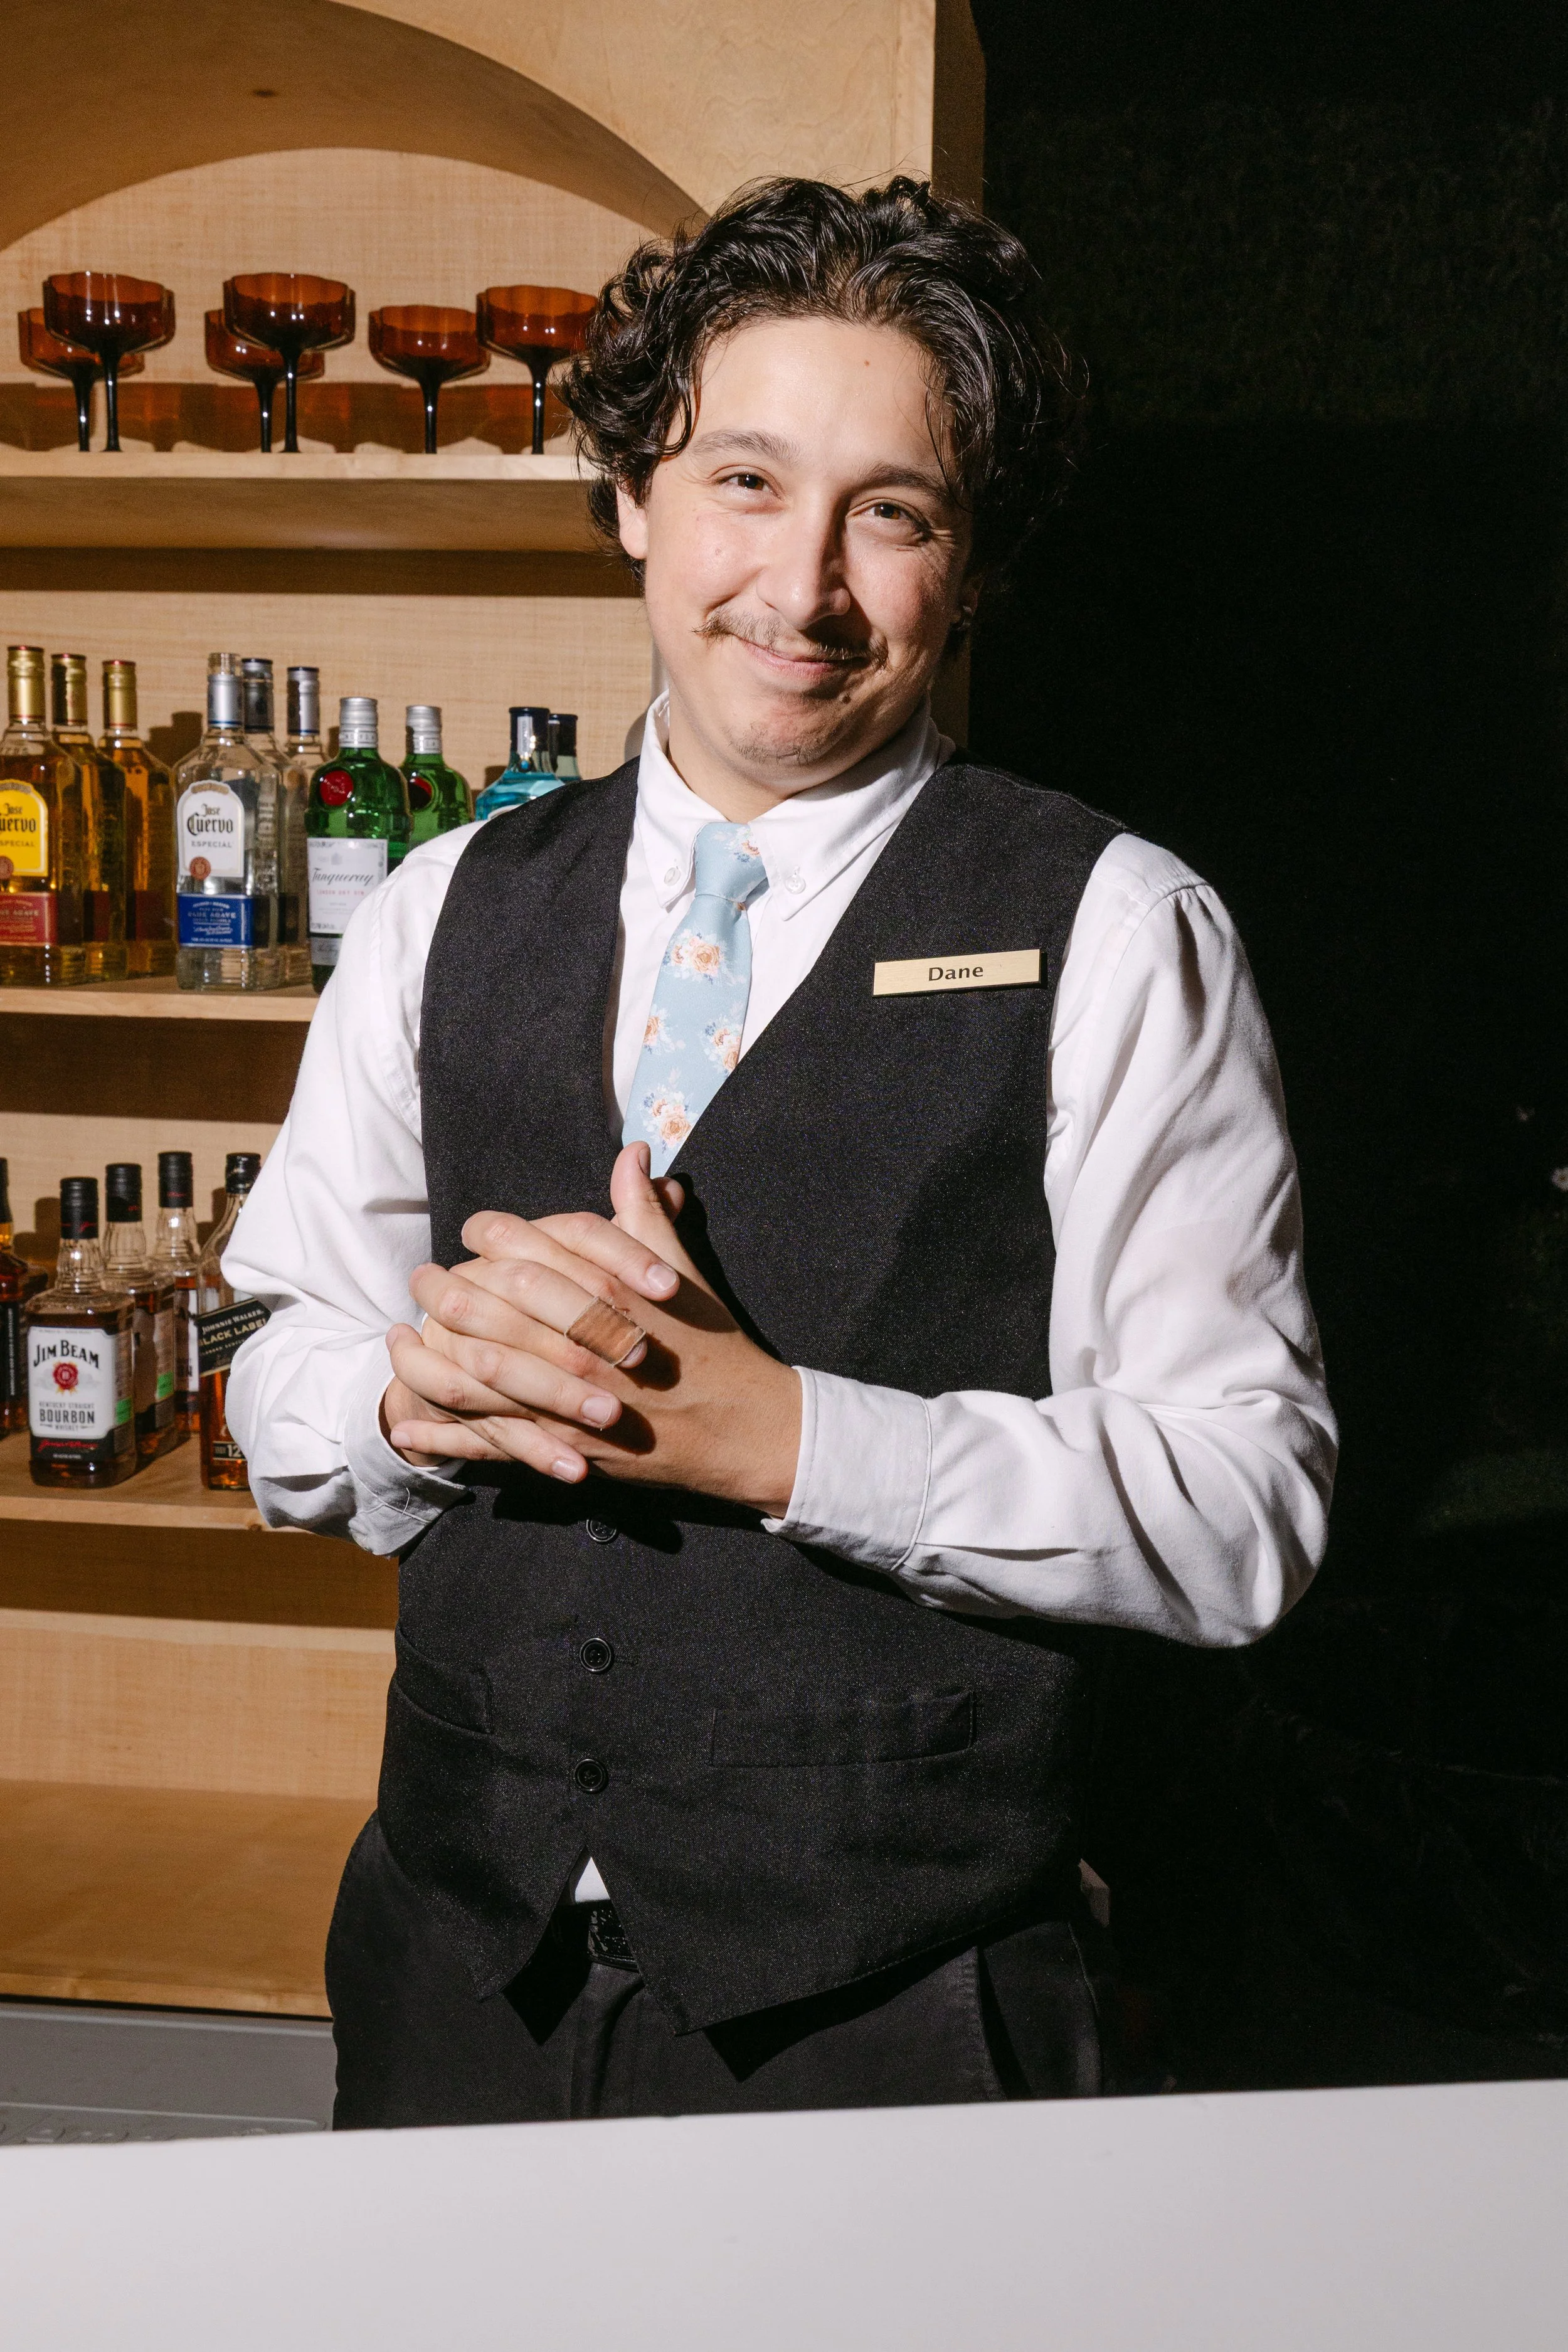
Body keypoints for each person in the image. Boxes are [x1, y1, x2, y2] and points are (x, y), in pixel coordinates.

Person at [225, 177, 1336, 2126]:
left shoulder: (1122, 924)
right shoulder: (434, 908)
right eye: (743, 480)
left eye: (888, 512)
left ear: (967, 565)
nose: (799, 586)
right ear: (634, 497)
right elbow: (276, 1383)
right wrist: (409, 1387)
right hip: (449, 1963)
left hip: (895, 2008)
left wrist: (788, 1438)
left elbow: (1242, 1505)